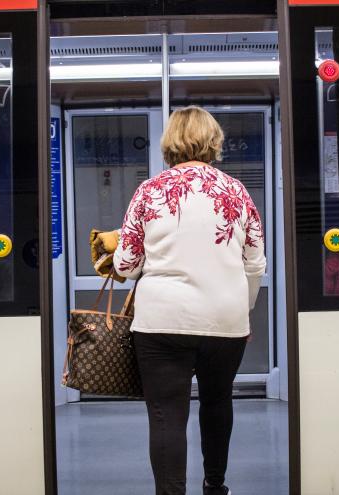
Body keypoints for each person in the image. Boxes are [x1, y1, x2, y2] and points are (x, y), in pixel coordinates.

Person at [95, 106, 266, 495]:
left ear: (168, 142)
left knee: (167, 416)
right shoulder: (236, 191)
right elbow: (255, 263)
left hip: (162, 323)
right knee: (217, 403)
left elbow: (126, 263)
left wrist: (119, 246)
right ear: (213, 141)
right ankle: (215, 486)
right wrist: (245, 310)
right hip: (225, 320)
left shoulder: (149, 191)